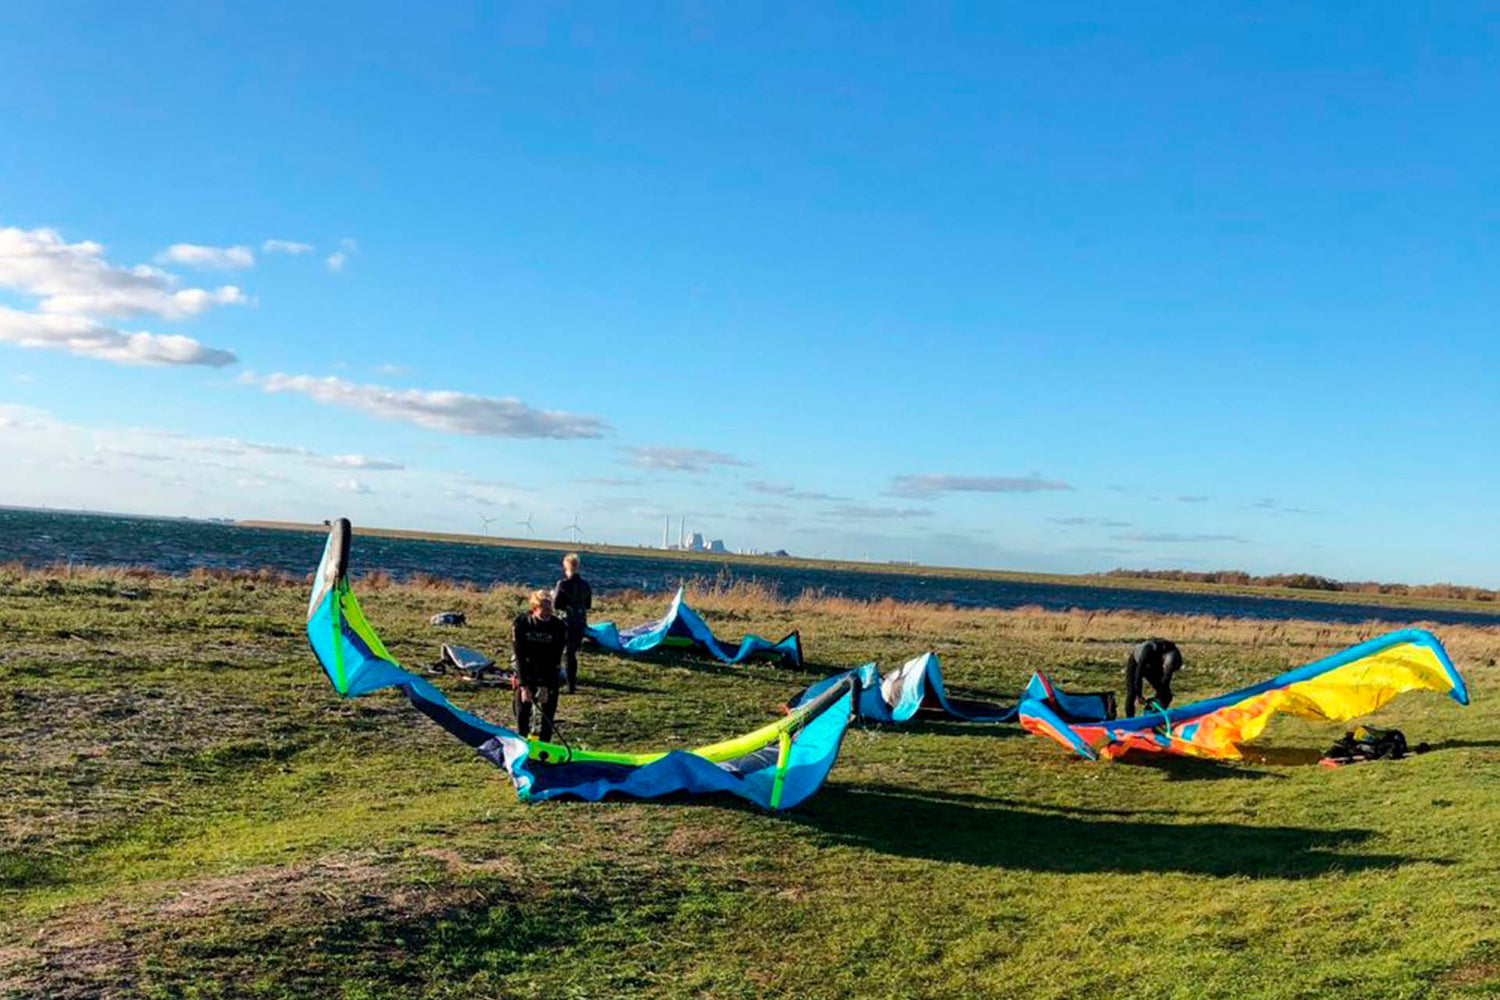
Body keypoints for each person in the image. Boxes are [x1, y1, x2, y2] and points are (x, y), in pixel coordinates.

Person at [511, 589, 567, 740]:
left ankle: (545, 745)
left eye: (550, 609)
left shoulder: (559, 626)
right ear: (534, 608)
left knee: (548, 713)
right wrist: (524, 686)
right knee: (523, 712)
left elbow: (556, 657)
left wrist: (546, 685)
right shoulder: (521, 623)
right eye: (544, 609)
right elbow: (519, 656)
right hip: (526, 669)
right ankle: (522, 742)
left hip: (548, 670)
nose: (548, 613)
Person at [551, 552, 592, 694]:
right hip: (580, 621)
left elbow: (555, 605)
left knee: (559, 653)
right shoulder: (586, 585)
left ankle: (555, 680)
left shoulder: (562, 584)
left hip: (565, 621)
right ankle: (571, 685)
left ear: (565, 566)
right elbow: (587, 605)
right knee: (571, 654)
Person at [1124, 638, 1184, 717]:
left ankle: (1156, 714)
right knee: (1132, 693)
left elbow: (1165, 681)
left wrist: (1159, 692)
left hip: (1153, 664)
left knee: (1166, 694)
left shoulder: (1173, 654)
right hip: (1137, 662)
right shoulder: (1148, 650)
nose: (1166, 671)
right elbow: (1138, 675)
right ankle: (1129, 719)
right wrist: (1139, 695)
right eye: (1165, 668)